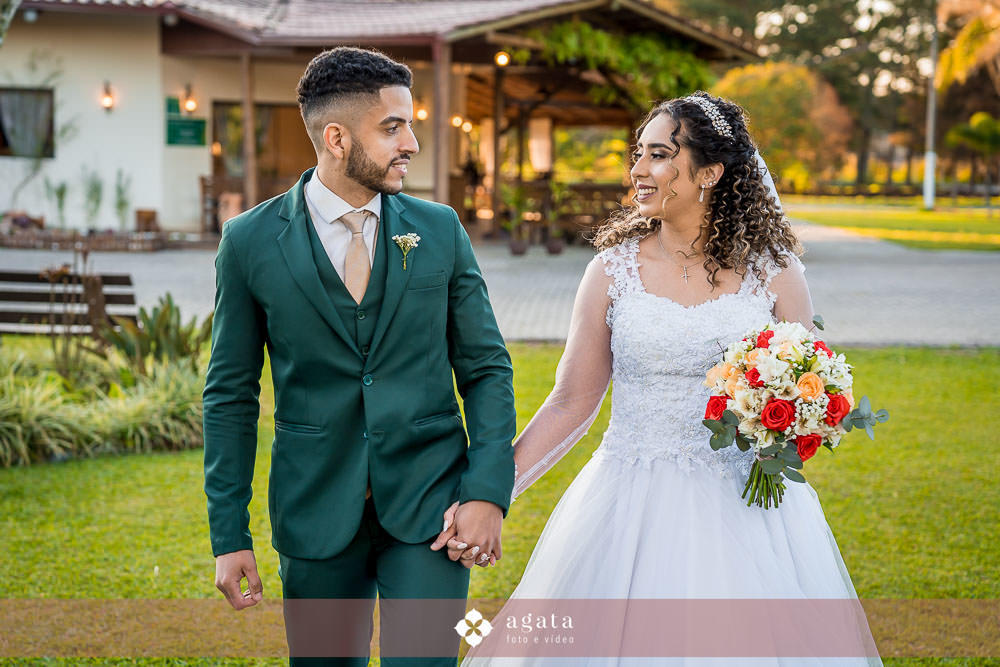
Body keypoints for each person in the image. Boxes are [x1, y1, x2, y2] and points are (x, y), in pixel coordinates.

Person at [439, 92, 881, 665]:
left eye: (657, 155)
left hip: (746, 514)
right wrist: (492, 495)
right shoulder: (611, 269)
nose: (637, 171)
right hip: (627, 499)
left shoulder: (776, 271)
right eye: (638, 155)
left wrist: (788, 422)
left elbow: (806, 388)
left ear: (710, 173)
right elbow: (571, 401)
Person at [202, 47, 515, 666]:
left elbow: (486, 369)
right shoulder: (250, 241)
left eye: (411, 123)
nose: (413, 143)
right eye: (393, 126)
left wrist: (486, 492)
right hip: (315, 506)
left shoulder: (441, 229)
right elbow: (231, 394)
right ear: (338, 138)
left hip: (432, 509)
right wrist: (228, 534)